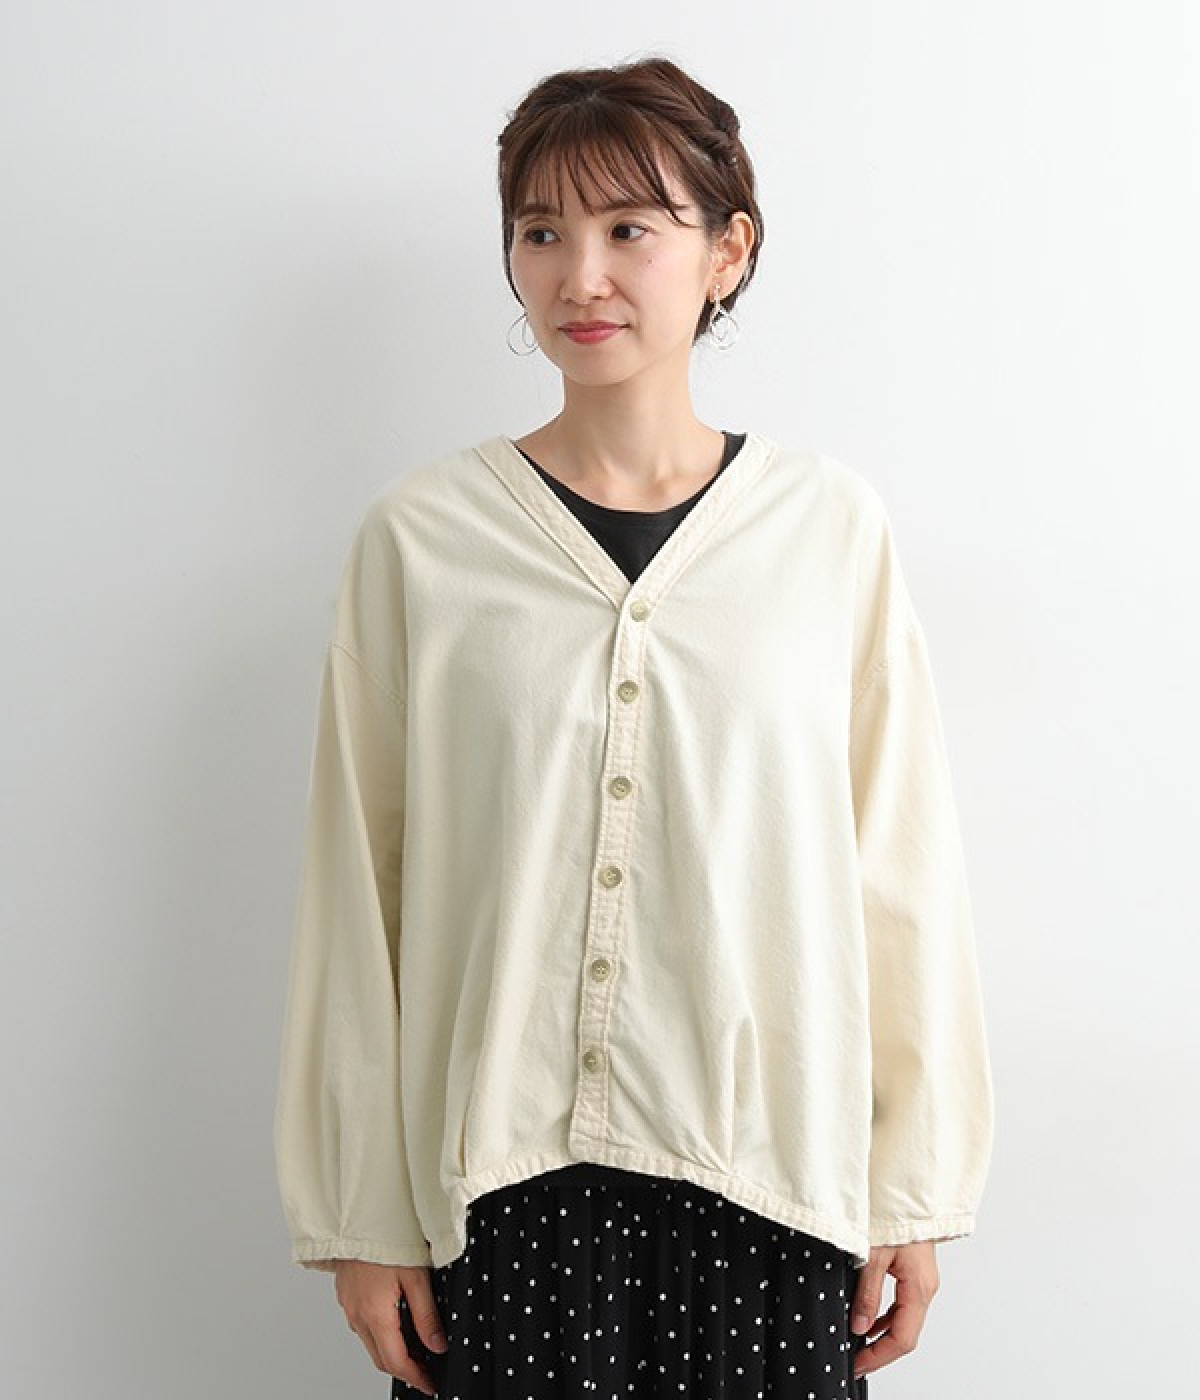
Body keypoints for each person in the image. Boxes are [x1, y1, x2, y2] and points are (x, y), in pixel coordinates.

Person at [273, 54, 995, 1400]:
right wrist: (362, 1211)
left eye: (628, 229)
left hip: (774, 1187)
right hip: (500, 1196)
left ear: (728, 251)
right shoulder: (421, 540)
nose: (580, 276)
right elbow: (358, 891)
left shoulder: (828, 530)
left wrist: (912, 1181)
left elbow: (898, 870)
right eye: (541, 232)